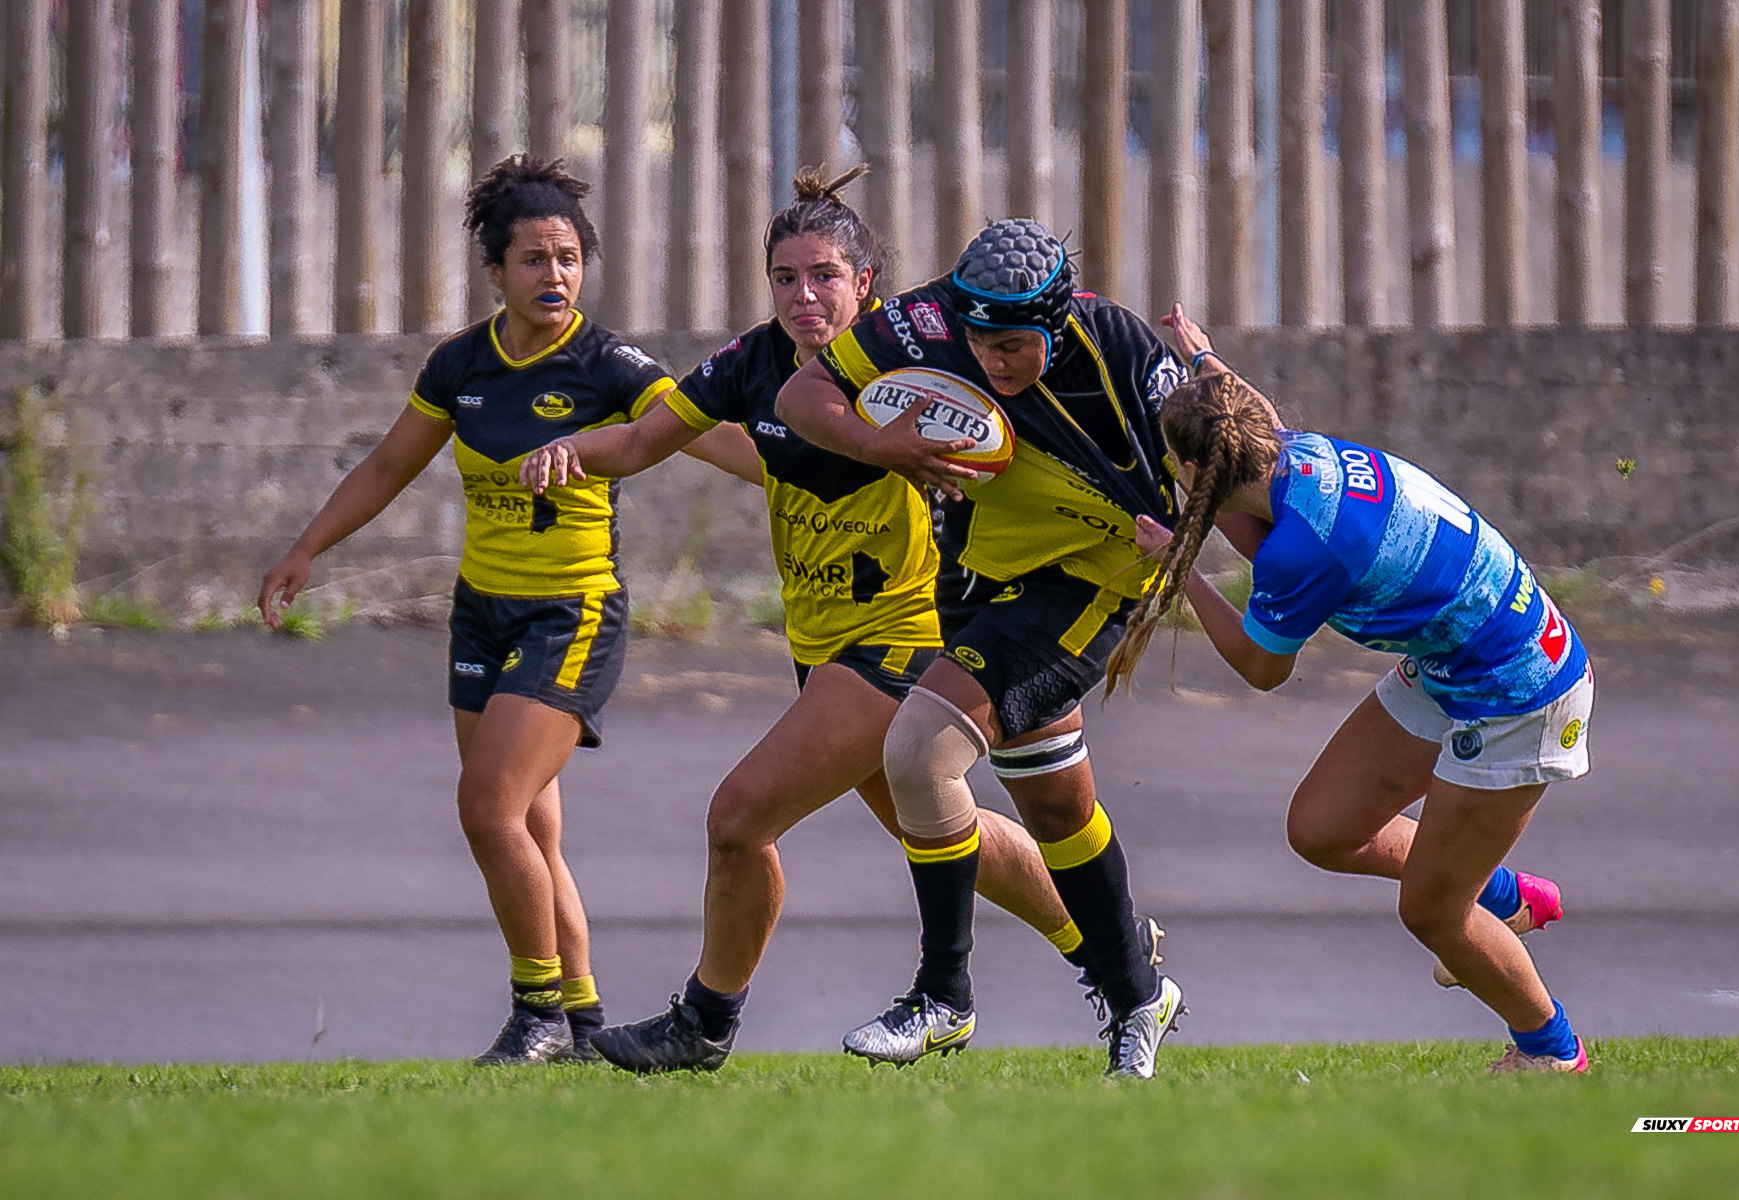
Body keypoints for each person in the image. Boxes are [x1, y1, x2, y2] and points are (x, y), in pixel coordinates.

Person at [519, 171, 1144, 1073]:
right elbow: (645, 439)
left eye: (824, 276)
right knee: (944, 829)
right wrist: (571, 449)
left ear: (866, 282)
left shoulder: (921, 366)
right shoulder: (751, 364)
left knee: (739, 817)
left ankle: (705, 1021)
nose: (803, 296)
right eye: (785, 277)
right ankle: (1120, 957)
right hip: (821, 643)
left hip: (905, 635)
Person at [257, 155, 758, 1064]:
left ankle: (537, 1013)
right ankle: (583, 1020)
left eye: (569, 258)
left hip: (571, 616)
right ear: (496, 270)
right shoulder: (462, 365)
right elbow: (387, 466)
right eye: (533, 259)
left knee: (488, 808)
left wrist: (818, 467)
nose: (554, 275)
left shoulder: (609, 365)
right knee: (528, 827)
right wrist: (305, 550)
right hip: (481, 614)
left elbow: (704, 430)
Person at [1108, 336, 1590, 1074]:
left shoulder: (1301, 550)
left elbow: (1262, 669)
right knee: (1323, 829)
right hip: (1456, 662)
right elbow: (1253, 433)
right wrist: (1209, 365)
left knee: (1431, 912)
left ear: (1197, 471)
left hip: (1520, 692)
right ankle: (1503, 897)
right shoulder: (1292, 454)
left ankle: (1551, 1053)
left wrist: (1180, 567)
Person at [775, 219, 1190, 1077]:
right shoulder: (932, 318)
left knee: (919, 752)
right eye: (979, 343)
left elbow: (1216, 456)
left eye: (1011, 348)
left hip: (1088, 576)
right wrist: (876, 442)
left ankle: (943, 996)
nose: (991, 360)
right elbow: (801, 397)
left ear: (1056, 323)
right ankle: (1138, 994)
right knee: (1054, 806)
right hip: (976, 574)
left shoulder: (1119, 347)